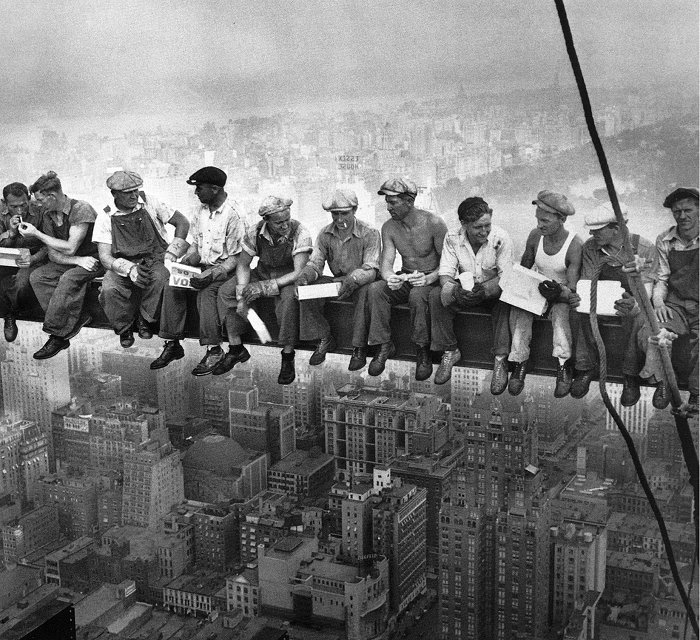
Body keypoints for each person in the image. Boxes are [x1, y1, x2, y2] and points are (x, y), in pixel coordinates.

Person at [149, 166, 245, 375]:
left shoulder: (234, 215)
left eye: (199, 188)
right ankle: (172, 343)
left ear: (215, 188)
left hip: (225, 271)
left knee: (207, 292)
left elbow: (236, 258)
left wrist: (211, 274)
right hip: (204, 266)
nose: (196, 193)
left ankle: (214, 349)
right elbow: (196, 246)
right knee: (172, 284)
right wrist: (184, 264)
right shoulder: (201, 211)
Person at [217, 196, 313, 384]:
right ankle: (236, 347)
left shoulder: (301, 233)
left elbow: (298, 271)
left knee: (288, 301)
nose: (285, 225)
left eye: (287, 220)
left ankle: (287, 355)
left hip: (287, 278)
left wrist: (263, 288)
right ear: (266, 221)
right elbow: (244, 265)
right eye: (279, 223)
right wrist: (242, 296)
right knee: (226, 292)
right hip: (262, 271)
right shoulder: (254, 232)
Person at [569, 203, 657, 405]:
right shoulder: (591, 247)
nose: (591, 233)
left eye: (597, 230)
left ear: (616, 228)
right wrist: (582, 298)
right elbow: (588, 281)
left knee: (637, 316)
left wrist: (634, 304)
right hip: (601, 299)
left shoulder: (644, 248)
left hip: (631, 301)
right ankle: (585, 367)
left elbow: (647, 289)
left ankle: (630, 374)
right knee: (579, 311)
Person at [95, 170, 190, 348]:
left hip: (154, 259)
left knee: (161, 279)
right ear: (114, 194)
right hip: (123, 263)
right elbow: (105, 256)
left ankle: (145, 319)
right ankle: (124, 327)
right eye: (127, 193)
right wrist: (129, 269)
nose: (133, 196)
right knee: (108, 289)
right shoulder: (106, 216)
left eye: (135, 190)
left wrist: (172, 253)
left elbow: (182, 223)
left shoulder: (149, 202)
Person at [367, 177, 447, 380]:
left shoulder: (434, 224)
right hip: (406, 275)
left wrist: (429, 279)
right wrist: (390, 277)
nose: (388, 207)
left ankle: (422, 351)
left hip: (431, 278)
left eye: (393, 202)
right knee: (376, 290)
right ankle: (384, 344)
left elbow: (448, 263)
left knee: (417, 296)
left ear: (409, 202)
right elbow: (386, 264)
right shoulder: (389, 227)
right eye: (387, 202)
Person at [429, 196, 513, 388]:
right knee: (436, 296)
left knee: (505, 301)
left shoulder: (501, 238)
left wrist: (484, 290)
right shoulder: (452, 238)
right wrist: (456, 290)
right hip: (465, 289)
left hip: (492, 291)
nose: (484, 231)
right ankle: (450, 351)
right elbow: (445, 274)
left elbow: (506, 277)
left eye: (487, 225)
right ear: (464, 224)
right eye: (478, 227)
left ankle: (500, 358)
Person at [20, 171, 103, 359]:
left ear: (52, 196)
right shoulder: (49, 214)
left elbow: (70, 247)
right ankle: (77, 318)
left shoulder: (81, 209)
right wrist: (76, 261)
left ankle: (57, 335)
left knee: (69, 278)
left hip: (94, 260)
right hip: (76, 261)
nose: (38, 205)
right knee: (38, 276)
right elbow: (53, 253)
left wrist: (37, 234)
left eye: (40, 200)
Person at [507, 190, 582, 397]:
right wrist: (520, 289)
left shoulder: (574, 245)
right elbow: (525, 268)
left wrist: (559, 292)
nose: (540, 225)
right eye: (538, 219)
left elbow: (573, 287)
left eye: (545, 221)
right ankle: (520, 360)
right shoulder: (535, 236)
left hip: (560, 294)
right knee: (520, 309)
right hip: (539, 288)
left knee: (560, 315)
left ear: (562, 219)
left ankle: (563, 364)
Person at [296, 188, 380, 370]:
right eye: (335, 214)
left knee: (365, 293)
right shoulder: (325, 234)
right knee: (307, 292)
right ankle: (324, 337)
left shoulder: (370, 233)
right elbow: (316, 263)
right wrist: (305, 276)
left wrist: (354, 279)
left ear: (355, 210)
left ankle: (358, 347)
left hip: (362, 280)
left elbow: (371, 268)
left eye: (344, 214)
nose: (340, 219)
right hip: (338, 281)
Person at [652, 187, 698, 414]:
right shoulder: (665, 240)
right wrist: (658, 303)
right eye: (677, 211)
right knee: (657, 332)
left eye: (688, 210)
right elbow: (661, 278)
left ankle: (697, 395)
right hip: (676, 304)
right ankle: (664, 384)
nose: (682, 216)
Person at [0, 182, 47, 342]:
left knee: (21, 283)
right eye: (14, 206)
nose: (20, 210)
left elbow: (48, 244)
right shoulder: (0, 212)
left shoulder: (41, 211)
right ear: (5, 203)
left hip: (33, 259)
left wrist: (33, 259)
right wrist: (11, 233)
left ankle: (10, 314)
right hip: (5, 257)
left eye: (23, 205)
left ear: (29, 199)